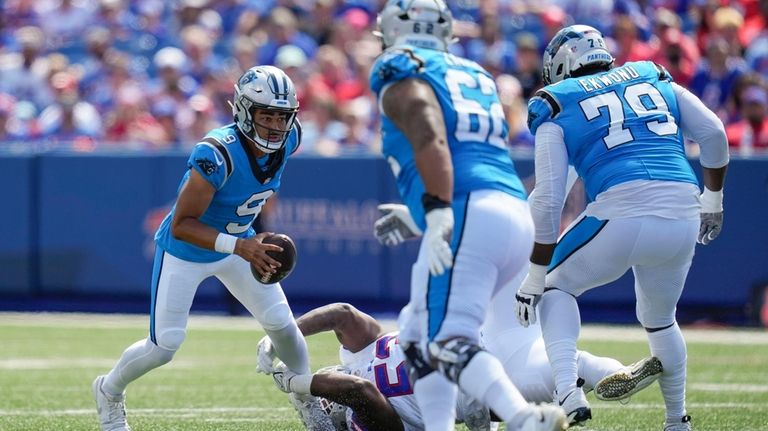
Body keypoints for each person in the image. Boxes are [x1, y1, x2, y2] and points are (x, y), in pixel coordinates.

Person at [513, 25, 729, 430]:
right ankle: (676, 420)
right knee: (661, 319)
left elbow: (548, 198)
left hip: (621, 211)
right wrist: (712, 201)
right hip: (682, 211)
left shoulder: (555, 101)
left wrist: (535, 275)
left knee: (556, 286)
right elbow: (714, 132)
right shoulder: (651, 74)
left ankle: (567, 390)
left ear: (560, 65)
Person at [367, 1, 566, 430]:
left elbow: (428, 129)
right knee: (418, 340)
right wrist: (425, 213)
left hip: (466, 211)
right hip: (508, 210)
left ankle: (523, 418)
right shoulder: (472, 72)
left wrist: (437, 211)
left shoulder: (400, 67)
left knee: (447, 341)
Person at [92, 65, 314, 431]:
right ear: (243, 111)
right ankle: (109, 391)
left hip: (241, 242)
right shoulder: (216, 153)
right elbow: (181, 226)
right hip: (188, 251)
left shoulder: (290, 139)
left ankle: (307, 398)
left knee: (283, 325)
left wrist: (254, 235)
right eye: (266, 115)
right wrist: (240, 245)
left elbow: (260, 188)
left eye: (282, 115)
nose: (276, 125)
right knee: (164, 345)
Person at [263, 298, 659, 430]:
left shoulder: (357, 353)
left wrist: (282, 334)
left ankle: (614, 374)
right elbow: (357, 391)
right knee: (568, 367)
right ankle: (602, 375)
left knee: (527, 275)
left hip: (482, 331)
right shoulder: (368, 417)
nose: (330, 396)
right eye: (329, 406)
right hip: (485, 385)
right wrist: (300, 384)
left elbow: (342, 313)